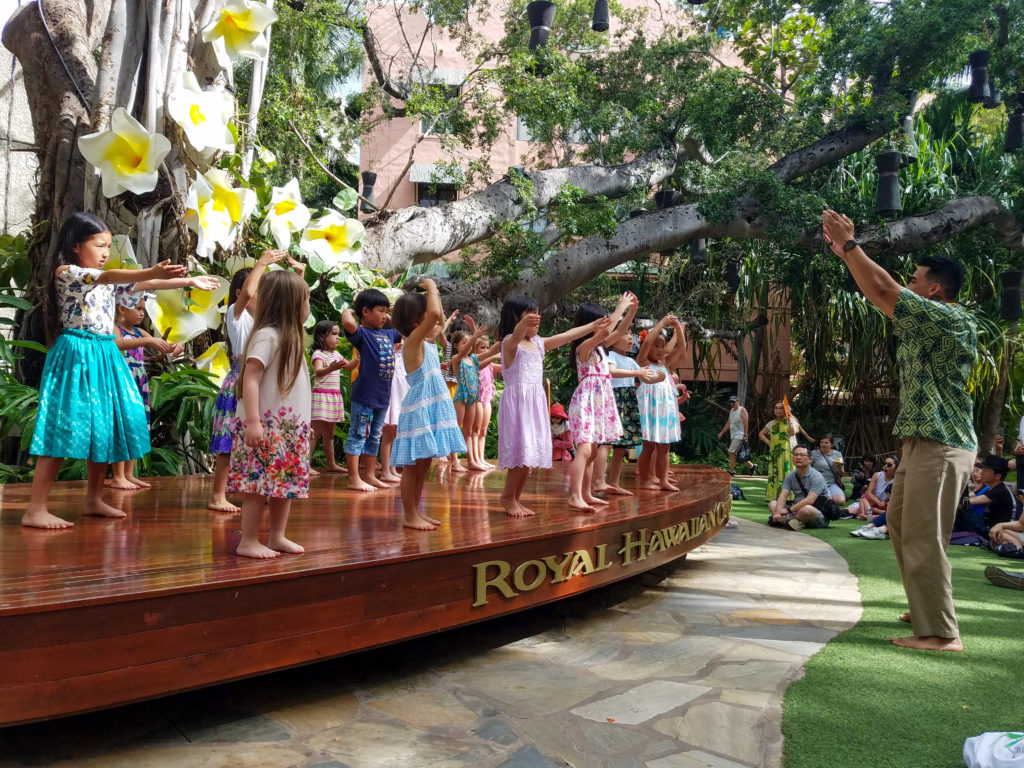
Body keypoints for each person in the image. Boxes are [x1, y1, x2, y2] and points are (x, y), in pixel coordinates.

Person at [824, 209, 976, 652]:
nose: (907, 285)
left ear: (933, 288)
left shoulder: (950, 319)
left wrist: (852, 246)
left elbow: (885, 290)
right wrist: (847, 257)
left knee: (924, 534)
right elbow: (881, 293)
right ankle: (924, 606)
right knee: (898, 522)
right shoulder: (921, 319)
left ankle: (940, 634)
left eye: (915, 280)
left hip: (943, 443)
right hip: (922, 442)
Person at [21, 212, 207, 529]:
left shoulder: (106, 282)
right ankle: (35, 508)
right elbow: (112, 277)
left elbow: (143, 283)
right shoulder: (68, 273)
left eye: (108, 246)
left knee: (107, 426)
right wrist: (152, 268)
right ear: (77, 245)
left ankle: (94, 498)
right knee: (64, 425)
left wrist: (187, 281)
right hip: (78, 353)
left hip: (105, 354)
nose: (105, 252)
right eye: (99, 245)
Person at [495, 295, 610, 517]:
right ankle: (507, 497)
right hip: (518, 404)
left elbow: (566, 336)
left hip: (535, 403)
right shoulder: (510, 343)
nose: (536, 319)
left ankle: (516, 499)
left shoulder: (538, 343)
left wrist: (592, 326)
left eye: (537, 314)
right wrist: (523, 324)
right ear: (516, 318)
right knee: (519, 457)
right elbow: (517, 333)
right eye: (530, 315)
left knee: (528, 459)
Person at [227, 270, 311, 559]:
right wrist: (253, 422)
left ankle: (277, 535)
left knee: (283, 484)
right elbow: (250, 378)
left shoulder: (293, 336)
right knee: (257, 484)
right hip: (265, 424)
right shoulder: (267, 336)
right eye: (305, 300)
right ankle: (248, 539)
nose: (308, 306)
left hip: (288, 427)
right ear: (291, 304)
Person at [208, 249, 291, 513]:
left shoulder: (267, 323)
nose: (261, 296)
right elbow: (246, 295)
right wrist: (262, 263)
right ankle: (218, 495)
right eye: (258, 290)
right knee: (228, 441)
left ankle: (256, 490)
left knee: (260, 441)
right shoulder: (237, 315)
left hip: (262, 386)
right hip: (240, 383)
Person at [389, 279, 467, 530]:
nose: (436, 323)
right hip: (420, 407)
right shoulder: (413, 341)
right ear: (416, 322)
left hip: (432, 406)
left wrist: (435, 302)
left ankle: (416, 512)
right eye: (428, 319)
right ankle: (410, 514)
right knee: (412, 466)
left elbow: (439, 316)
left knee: (424, 464)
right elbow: (435, 314)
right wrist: (432, 287)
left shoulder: (429, 343)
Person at [566, 294, 637, 512]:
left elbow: (617, 331)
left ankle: (586, 493)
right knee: (585, 450)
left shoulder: (600, 348)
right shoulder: (584, 347)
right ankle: (575, 496)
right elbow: (608, 331)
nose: (605, 323)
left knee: (594, 451)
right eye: (600, 320)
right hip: (586, 402)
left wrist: (631, 310)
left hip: (599, 402)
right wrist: (620, 306)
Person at [110, 291, 183, 490]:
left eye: (143, 309)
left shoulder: (140, 332)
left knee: (136, 424)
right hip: (123, 382)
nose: (142, 314)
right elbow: (116, 344)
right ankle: (118, 476)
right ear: (122, 309)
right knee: (122, 426)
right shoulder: (115, 329)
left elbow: (161, 347)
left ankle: (128, 474)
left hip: (139, 384)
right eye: (138, 308)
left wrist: (177, 346)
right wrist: (147, 341)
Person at [341, 288, 402, 492]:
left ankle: (369, 475)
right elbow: (348, 322)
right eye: (380, 311)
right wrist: (353, 308)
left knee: (374, 436)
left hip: (382, 398)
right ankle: (353, 478)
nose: (385, 316)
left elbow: (402, 328)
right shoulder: (362, 334)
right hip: (365, 396)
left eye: (386, 311)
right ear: (365, 312)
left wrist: (387, 314)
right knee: (358, 435)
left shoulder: (388, 333)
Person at [592, 328, 662, 496]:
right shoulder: (610, 356)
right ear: (613, 338)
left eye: (631, 334)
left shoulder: (630, 361)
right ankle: (598, 481)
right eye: (625, 333)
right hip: (615, 399)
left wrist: (658, 377)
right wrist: (638, 372)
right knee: (608, 443)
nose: (630, 337)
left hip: (628, 401)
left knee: (621, 446)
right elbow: (611, 371)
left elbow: (645, 376)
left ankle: (614, 483)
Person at [635, 315, 688, 491]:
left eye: (662, 346)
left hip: (665, 411)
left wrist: (678, 328)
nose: (659, 349)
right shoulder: (642, 363)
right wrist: (663, 323)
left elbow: (682, 349)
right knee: (648, 446)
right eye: (656, 346)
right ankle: (644, 479)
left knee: (665, 447)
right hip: (651, 410)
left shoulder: (665, 365)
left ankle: (663, 480)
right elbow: (648, 341)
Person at [309, 319, 357, 476]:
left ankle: (331, 464)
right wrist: (331, 368)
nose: (338, 337)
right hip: (321, 397)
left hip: (333, 396)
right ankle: (305, 464)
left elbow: (349, 367)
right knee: (315, 433)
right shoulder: (318, 354)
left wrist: (358, 357)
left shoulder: (336, 354)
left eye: (339, 334)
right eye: (334, 334)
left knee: (329, 434)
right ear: (322, 337)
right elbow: (318, 371)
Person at [450, 325, 499, 471]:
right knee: (457, 428)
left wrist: (503, 339)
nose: (468, 346)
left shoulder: (473, 359)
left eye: (469, 342)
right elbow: (464, 352)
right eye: (464, 343)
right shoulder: (456, 359)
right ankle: (455, 461)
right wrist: (475, 335)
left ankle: (473, 461)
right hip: (461, 398)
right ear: (456, 345)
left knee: (469, 431)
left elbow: (490, 352)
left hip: (472, 398)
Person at [767, 445, 832, 531]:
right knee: (772, 504)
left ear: (809, 459)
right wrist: (778, 512)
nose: (798, 457)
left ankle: (786, 520)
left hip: (816, 513)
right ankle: (793, 521)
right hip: (797, 510)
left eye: (802, 455)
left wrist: (788, 510)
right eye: (796, 455)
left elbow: (810, 500)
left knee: (806, 509)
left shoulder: (816, 477)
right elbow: (783, 494)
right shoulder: (790, 476)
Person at [379, 336, 409, 485]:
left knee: (395, 435)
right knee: (388, 435)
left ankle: (392, 469)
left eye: (403, 340)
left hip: (402, 398)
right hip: (392, 399)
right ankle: (385, 471)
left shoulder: (403, 356)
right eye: (398, 340)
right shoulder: (388, 355)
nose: (401, 343)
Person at [963, 455, 1015, 539]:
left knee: (962, 509)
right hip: (984, 523)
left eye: (986, 470)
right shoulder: (991, 488)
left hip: (990, 529)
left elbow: (968, 501)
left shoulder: (1000, 491)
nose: (982, 472)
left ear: (997, 476)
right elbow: (971, 496)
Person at [758, 401, 798, 502]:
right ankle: (774, 496)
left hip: (787, 452)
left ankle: (789, 497)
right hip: (775, 452)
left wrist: (789, 419)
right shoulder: (771, 423)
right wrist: (769, 442)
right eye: (776, 408)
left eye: (781, 408)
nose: (778, 410)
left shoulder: (792, 420)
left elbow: (792, 432)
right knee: (775, 473)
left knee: (787, 472)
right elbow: (761, 434)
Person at [848, 455, 898, 521]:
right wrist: (877, 501)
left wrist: (882, 504)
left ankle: (868, 516)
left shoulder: (897, 481)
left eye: (889, 465)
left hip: (886, 505)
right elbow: (869, 492)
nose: (885, 466)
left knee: (888, 513)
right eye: (884, 464)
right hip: (873, 502)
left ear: (896, 467)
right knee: (863, 499)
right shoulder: (877, 475)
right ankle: (865, 515)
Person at [474, 335, 498, 470]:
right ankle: (475, 459)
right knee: (475, 430)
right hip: (477, 398)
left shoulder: (489, 364)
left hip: (487, 398)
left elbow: (501, 366)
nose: (485, 350)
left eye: (487, 348)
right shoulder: (474, 361)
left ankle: (481, 458)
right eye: (482, 347)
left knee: (483, 431)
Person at [718, 395, 755, 475]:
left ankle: (731, 472)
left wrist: (745, 435)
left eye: (734, 402)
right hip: (733, 435)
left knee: (731, 452)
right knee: (737, 454)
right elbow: (729, 422)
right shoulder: (731, 410)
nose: (732, 403)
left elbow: (746, 423)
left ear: (737, 402)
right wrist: (721, 432)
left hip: (740, 435)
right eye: (731, 402)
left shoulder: (742, 410)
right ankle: (752, 466)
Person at [810, 434, 846, 503]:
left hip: (831, 482)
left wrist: (838, 467)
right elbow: (807, 469)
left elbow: (841, 473)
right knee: (827, 500)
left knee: (841, 501)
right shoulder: (814, 454)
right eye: (822, 442)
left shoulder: (837, 454)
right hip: (818, 483)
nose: (823, 444)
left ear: (831, 445)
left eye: (826, 443)